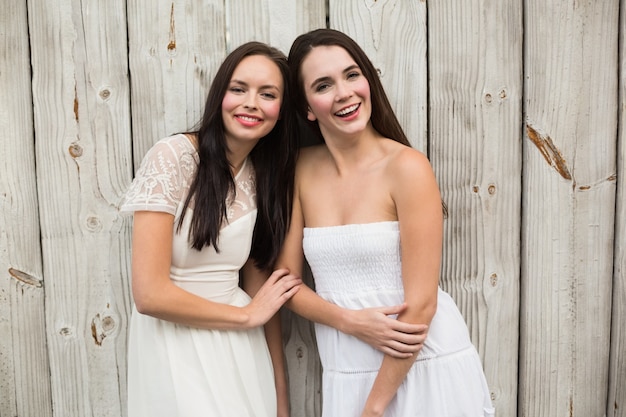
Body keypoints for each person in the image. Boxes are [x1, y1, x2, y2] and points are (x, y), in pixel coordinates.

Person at [278, 28, 495, 417]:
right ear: (307, 107)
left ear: (368, 81)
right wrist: (350, 321)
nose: (344, 92)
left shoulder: (407, 167)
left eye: (351, 75)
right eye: (323, 85)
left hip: (422, 367)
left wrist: (374, 408)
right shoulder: (302, 172)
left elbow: (423, 303)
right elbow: (286, 283)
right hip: (347, 369)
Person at [120, 41, 302, 417]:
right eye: (238, 89)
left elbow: (259, 294)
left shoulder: (265, 178)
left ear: (282, 112)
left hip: (242, 349)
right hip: (173, 343)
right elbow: (148, 295)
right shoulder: (173, 158)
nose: (251, 102)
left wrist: (281, 397)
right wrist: (246, 317)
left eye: (267, 94)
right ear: (219, 95)